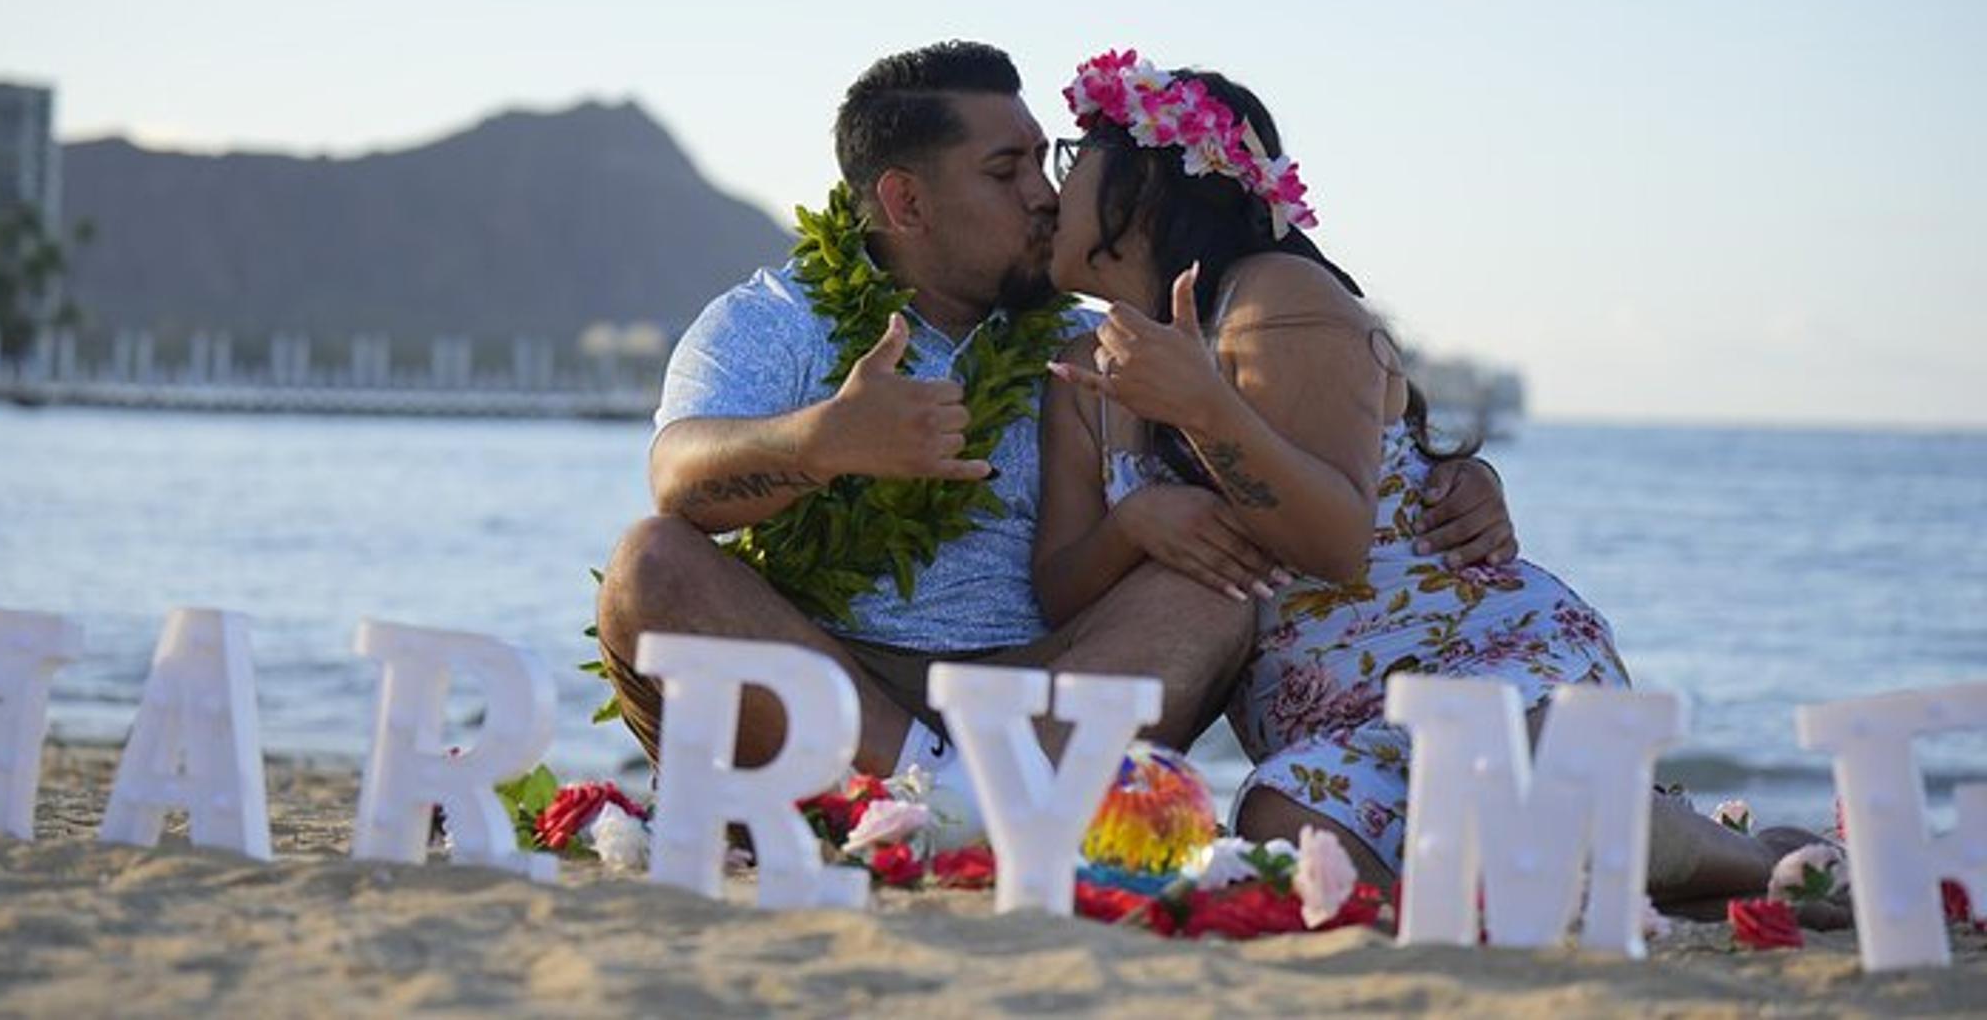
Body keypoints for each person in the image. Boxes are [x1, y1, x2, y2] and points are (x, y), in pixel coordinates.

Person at [594, 40, 1518, 801]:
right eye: (1008, 169)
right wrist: (825, 441)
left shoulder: (1101, 347)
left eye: (1044, 160)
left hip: (1038, 688)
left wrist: (1442, 480)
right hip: (819, 678)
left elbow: (1312, 417)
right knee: (650, 563)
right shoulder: (771, 321)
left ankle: (966, 799)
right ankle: (939, 790)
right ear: (906, 202)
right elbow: (680, 475)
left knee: (1211, 588)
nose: (1045, 192)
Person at [1033, 49, 1795, 903]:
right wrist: (1134, 524)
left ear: (1145, 187)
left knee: (1511, 794)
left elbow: (1337, 543)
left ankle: (1778, 871)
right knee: (1285, 831)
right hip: (1323, 722)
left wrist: (1204, 408)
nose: (1054, 187)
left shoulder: (1274, 296)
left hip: (1459, 657)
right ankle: (1673, 849)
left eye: (1076, 153)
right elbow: (1063, 591)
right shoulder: (1078, 375)